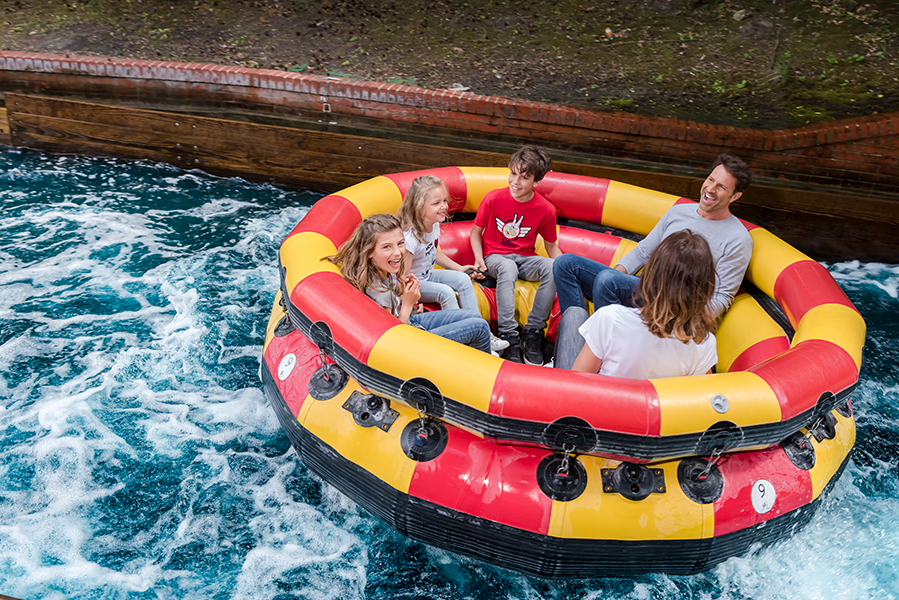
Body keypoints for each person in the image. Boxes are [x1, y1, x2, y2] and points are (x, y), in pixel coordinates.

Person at [553, 153, 753, 320]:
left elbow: (721, 297)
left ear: (735, 196)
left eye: (721, 187)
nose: (710, 189)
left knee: (607, 280)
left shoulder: (737, 239)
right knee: (565, 264)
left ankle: (600, 349)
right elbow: (642, 252)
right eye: (711, 180)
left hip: (675, 303)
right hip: (642, 287)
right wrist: (616, 276)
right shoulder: (679, 212)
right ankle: (577, 338)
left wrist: (685, 324)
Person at [554, 230, 718, 378]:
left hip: (598, 406)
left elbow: (575, 386)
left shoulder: (610, 318)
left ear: (648, 277)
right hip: (654, 410)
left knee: (575, 314)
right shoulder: (705, 343)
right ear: (706, 288)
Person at [326, 213, 491, 354]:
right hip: (411, 341)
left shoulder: (382, 270)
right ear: (369, 251)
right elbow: (393, 339)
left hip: (411, 322)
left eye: (400, 243)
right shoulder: (378, 290)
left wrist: (410, 307)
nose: (397, 252)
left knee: (473, 315)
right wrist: (407, 304)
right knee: (480, 327)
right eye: (386, 247)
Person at [470, 145, 562, 365]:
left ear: (536, 182)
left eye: (524, 177)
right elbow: (475, 233)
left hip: (524, 259)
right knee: (507, 267)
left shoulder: (545, 209)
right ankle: (509, 335)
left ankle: (533, 332)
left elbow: (551, 246)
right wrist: (478, 258)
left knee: (551, 267)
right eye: (513, 174)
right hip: (495, 257)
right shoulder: (493, 198)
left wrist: (566, 266)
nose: (515, 181)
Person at [397, 174, 509, 354]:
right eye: (436, 203)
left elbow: (433, 252)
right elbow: (403, 277)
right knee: (446, 292)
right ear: (419, 207)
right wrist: (411, 302)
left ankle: (484, 335)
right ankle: (461, 344)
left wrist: (459, 268)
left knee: (463, 280)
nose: (444, 207)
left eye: (444, 201)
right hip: (414, 282)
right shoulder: (410, 237)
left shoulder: (432, 224)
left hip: (427, 274)